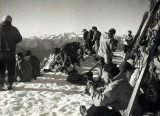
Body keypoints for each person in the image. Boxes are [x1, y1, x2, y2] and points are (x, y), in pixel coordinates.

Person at [0, 15, 22, 90]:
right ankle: (10, 84)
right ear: (10, 21)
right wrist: (13, 42)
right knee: (11, 68)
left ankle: (0, 84)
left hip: (1, 53)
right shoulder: (13, 29)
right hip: (10, 52)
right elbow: (20, 38)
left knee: (1, 69)